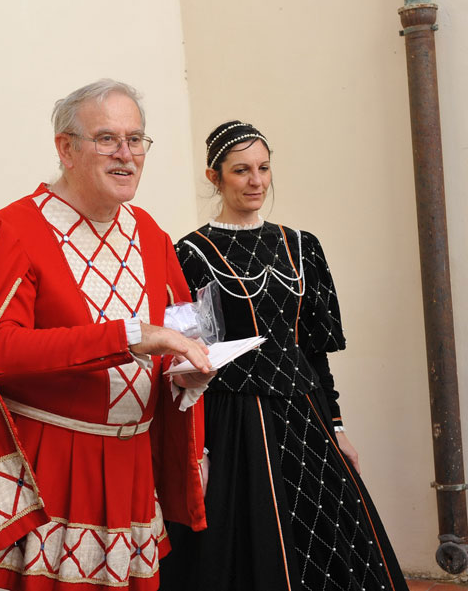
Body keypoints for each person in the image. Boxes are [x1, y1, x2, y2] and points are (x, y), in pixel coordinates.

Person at [0, 79, 214, 590]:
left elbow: (180, 331)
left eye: (137, 140)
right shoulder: (11, 231)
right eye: (107, 138)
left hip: (132, 472)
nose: (126, 155)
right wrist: (126, 337)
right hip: (52, 472)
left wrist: (186, 368)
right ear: (65, 149)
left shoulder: (151, 235)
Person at [159, 121, 408, 591]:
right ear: (215, 178)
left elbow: (314, 351)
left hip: (304, 412)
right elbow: (186, 353)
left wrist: (337, 426)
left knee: (333, 538)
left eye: (263, 168)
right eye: (241, 171)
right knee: (242, 542)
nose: (256, 181)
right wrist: (196, 447)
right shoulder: (189, 253)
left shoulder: (302, 247)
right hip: (232, 418)